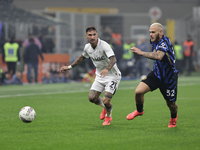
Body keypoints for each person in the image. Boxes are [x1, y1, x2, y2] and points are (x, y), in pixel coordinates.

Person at [60, 26, 121, 125]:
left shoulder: (104, 45)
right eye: (90, 35)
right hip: (100, 76)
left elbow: (113, 59)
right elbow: (82, 57)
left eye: (94, 35)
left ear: (97, 35)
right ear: (86, 36)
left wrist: (106, 69)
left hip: (113, 76)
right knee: (92, 98)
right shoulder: (87, 47)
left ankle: (108, 116)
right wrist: (69, 67)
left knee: (106, 100)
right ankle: (105, 108)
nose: (92, 37)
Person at [126, 23, 179, 128]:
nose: (151, 34)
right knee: (138, 92)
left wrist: (141, 53)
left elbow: (159, 56)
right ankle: (139, 111)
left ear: (160, 32)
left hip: (168, 78)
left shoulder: (164, 42)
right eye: (150, 32)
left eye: (153, 32)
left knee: (171, 104)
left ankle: (173, 118)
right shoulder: (153, 41)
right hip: (156, 74)